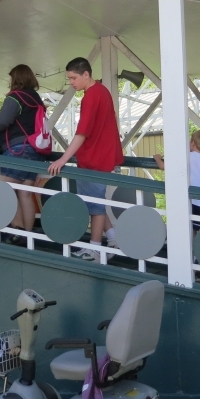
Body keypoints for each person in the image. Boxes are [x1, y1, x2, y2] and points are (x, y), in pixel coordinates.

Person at [47, 57, 124, 261]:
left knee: (94, 206)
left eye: (73, 78)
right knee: (95, 202)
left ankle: (95, 248)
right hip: (104, 155)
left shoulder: (90, 97)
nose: (71, 82)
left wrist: (63, 159)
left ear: (85, 74)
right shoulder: (103, 91)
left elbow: (82, 132)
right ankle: (113, 237)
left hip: (93, 158)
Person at [0, 64, 48, 239]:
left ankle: (17, 229)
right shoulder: (36, 98)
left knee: (2, 187)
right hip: (35, 151)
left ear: (16, 78)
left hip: (18, 149)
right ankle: (28, 235)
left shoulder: (15, 97)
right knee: (25, 193)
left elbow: (1, 122)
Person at [154, 128, 200, 231]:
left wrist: (157, 158)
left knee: (184, 228)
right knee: (197, 230)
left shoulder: (186, 158)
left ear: (192, 143)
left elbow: (163, 166)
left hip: (188, 200)